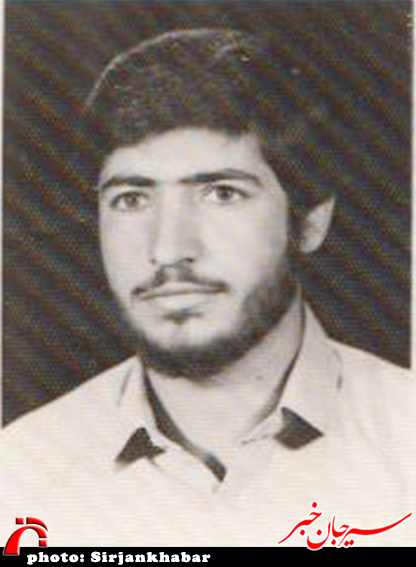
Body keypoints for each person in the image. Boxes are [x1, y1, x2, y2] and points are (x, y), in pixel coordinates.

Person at [1, 29, 415, 548]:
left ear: (311, 220)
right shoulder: (19, 472)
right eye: (132, 199)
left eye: (221, 193)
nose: (168, 248)